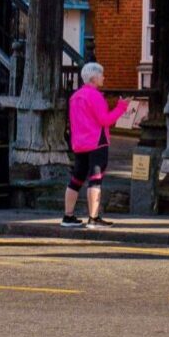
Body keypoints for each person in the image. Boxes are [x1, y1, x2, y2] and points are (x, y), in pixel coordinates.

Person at [62, 61, 119, 229]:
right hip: (97, 142)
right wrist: (122, 107)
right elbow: (105, 120)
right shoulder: (95, 96)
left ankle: (68, 216)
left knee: (76, 179)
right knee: (95, 180)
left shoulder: (75, 96)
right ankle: (93, 218)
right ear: (94, 78)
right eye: (101, 75)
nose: (103, 77)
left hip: (79, 143)